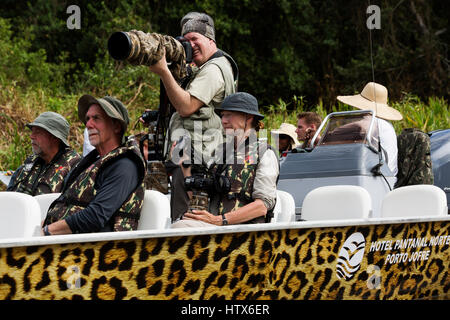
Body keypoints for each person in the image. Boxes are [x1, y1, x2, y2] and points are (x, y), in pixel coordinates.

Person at [148, 12, 237, 221]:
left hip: (198, 161)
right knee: (182, 218)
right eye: (185, 41)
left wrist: (164, 72)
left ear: (210, 40)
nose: (190, 45)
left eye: (195, 39)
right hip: (190, 157)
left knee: (187, 220)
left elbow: (186, 106)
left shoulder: (214, 69)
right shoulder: (206, 67)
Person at [42, 95, 146, 235]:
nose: (88, 124)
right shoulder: (92, 162)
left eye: (96, 118)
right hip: (66, 242)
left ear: (116, 126)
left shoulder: (125, 166)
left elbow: (96, 216)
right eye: (88, 119)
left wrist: (47, 232)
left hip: (96, 250)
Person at [172, 92, 279, 227]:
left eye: (229, 115)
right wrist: (184, 166)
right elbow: (200, 198)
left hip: (244, 233)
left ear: (249, 117)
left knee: (181, 227)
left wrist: (218, 220)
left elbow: (262, 206)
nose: (223, 121)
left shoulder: (265, 153)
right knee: (179, 224)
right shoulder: (220, 152)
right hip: (215, 229)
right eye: (222, 115)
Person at [7, 111, 81, 196]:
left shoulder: (74, 168)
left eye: (38, 132)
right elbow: (9, 195)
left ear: (55, 137)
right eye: (32, 131)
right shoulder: (31, 162)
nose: (31, 136)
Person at [337, 82, 402, 175]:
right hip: (387, 176)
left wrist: (329, 135)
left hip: (381, 178)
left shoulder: (372, 121)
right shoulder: (386, 123)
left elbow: (360, 127)